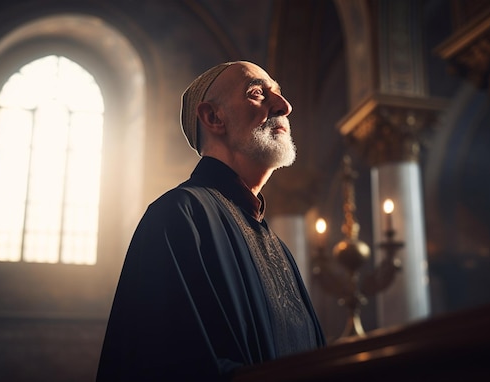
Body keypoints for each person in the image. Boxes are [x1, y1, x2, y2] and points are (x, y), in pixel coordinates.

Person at [96, 61, 325, 381]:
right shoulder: (177, 216)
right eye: (258, 93)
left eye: (280, 94)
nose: (284, 106)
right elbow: (164, 364)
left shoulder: (279, 248)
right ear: (213, 117)